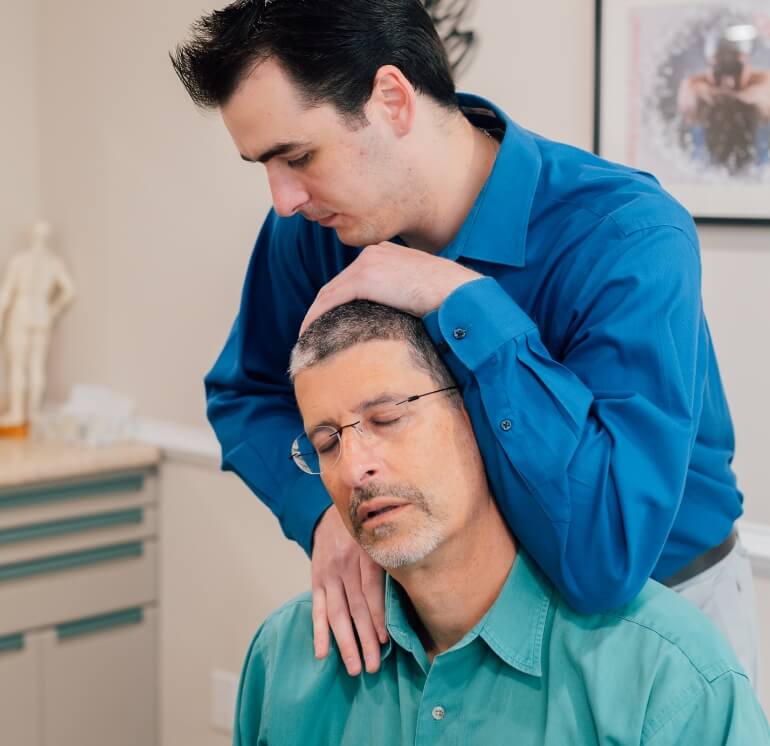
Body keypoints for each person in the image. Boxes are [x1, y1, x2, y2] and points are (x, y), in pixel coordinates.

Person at [170, 0, 760, 682]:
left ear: (392, 99)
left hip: (654, 609)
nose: (283, 198)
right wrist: (322, 518)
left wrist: (460, 301)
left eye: (298, 156)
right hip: (442, 615)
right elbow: (248, 394)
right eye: (262, 165)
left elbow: (604, 558)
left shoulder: (625, 235)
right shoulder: (311, 235)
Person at [233, 300, 769, 745]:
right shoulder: (287, 654)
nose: (354, 467)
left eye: (388, 419)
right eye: (327, 441)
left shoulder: (666, 674)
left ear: (478, 414)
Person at [0, 220, 76, 429]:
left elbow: (5, 295)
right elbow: (69, 292)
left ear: (30, 235)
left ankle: (18, 413)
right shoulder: (54, 263)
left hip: (21, 314)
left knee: (18, 366)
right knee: (37, 368)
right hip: (41, 314)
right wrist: (53, 310)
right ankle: (34, 413)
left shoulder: (19, 261)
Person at [677, 21, 770, 172]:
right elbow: (688, 105)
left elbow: (761, 98)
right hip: (709, 165)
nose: (729, 78)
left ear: (746, 61)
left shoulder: (762, 81)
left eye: (735, 66)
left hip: (756, 164)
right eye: (722, 66)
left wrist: (725, 93)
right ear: (711, 63)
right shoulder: (695, 85)